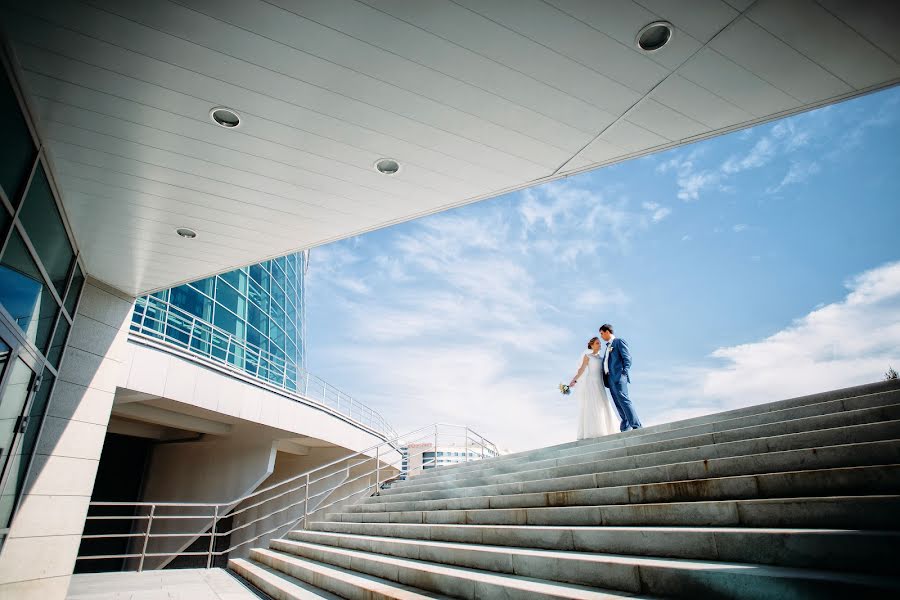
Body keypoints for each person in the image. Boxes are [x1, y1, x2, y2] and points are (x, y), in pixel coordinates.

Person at [569, 337, 619, 439]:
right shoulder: (588, 356)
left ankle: (606, 429)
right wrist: (574, 379)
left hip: (599, 383)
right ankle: (593, 431)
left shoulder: (602, 359)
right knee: (592, 406)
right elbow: (581, 369)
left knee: (602, 404)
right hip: (591, 383)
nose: (599, 345)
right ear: (591, 345)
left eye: (600, 343)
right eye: (597, 343)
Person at [599, 324, 642, 431]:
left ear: (608, 332)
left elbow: (627, 358)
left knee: (624, 401)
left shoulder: (618, 342)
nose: (601, 336)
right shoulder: (608, 347)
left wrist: (623, 373)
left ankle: (637, 426)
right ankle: (625, 428)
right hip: (610, 380)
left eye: (602, 333)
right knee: (618, 404)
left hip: (619, 377)